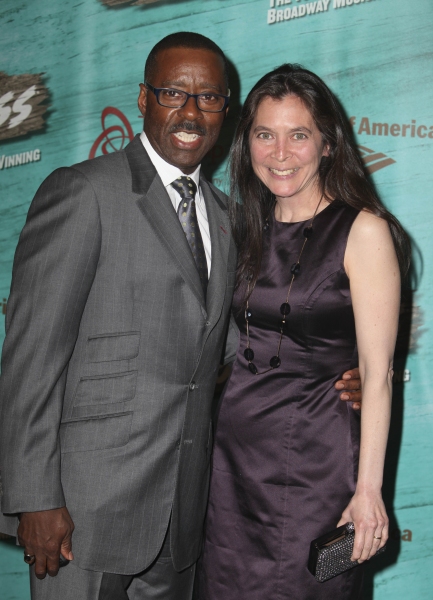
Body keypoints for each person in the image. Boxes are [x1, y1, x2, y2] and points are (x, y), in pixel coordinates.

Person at [0, 34, 361, 600]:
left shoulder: (230, 218)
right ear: (143, 98)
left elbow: (248, 346)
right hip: (82, 513)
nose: (192, 112)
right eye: (174, 93)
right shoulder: (83, 193)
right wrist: (35, 498)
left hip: (185, 515)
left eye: (210, 98)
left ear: (227, 111)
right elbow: (31, 359)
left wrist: (338, 372)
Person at [196, 64, 410, 600]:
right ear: (248, 144)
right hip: (229, 469)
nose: (281, 153)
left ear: (328, 144)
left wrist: (368, 490)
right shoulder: (240, 226)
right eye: (265, 135)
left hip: (316, 464)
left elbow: (379, 375)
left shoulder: (362, 230)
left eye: (299, 135)